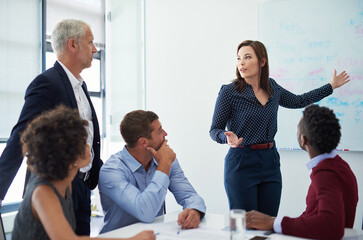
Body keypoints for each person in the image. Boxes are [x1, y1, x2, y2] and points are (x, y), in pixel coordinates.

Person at [209, 40, 350, 216]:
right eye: (238, 58)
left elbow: (299, 101)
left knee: (269, 223)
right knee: (245, 226)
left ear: (262, 61)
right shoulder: (229, 92)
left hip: (270, 161)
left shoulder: (272, 87)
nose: (241, 63)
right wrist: (226, 137)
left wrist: (330, 87)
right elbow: (214, 129)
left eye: (247, 57)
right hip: (241, 162)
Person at [0, 19, 103, 235]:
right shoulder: (47, 83)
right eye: (91, 42)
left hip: (83, 186)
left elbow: (90, 138)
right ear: (73, 45)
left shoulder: (81, 85)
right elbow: (22, 135)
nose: (96, 49)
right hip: (58, 187)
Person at [12, 106, 155, 240]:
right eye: (82, 142)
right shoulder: (43, 192)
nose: (89, 146)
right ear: (67, 154)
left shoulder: (65, 182)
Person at [246, 104, 358, 240]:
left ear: (303, 139)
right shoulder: (338, 165)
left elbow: (330, 226)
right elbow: (315, 217)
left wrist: (272, 222)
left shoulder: (326, 174)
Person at [98, 110, 206, 233]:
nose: (165, 134)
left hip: (155, 235)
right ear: (143, 142)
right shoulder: (111, 171)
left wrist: (195, 210)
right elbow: (145, 212)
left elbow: (190, 195)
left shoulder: (166, 159)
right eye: (160, 131)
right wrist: (164, 165)